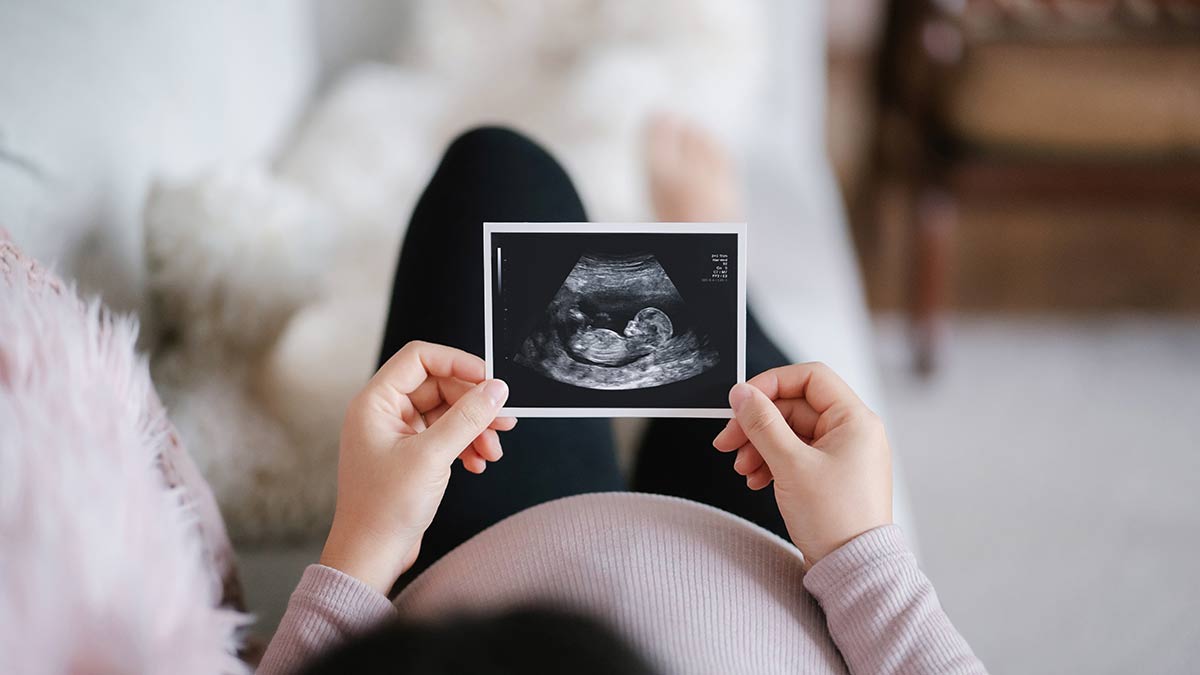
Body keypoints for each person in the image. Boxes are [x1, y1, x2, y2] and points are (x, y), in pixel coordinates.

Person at [258, 120, 987, 674]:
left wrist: (361, 548)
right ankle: (709, 262)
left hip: (473, 561)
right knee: (742, 368)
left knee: (498, 168)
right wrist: (864, 557)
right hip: (789, 566)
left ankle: (704, 274)